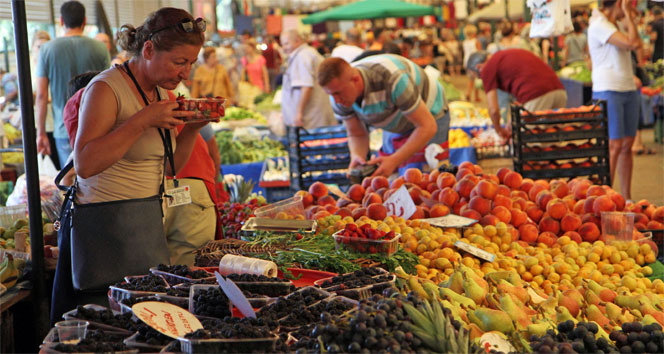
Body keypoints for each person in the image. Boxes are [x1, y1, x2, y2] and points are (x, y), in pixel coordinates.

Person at [51, 6, 206, 323]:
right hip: (104, 231)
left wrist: (192, 127)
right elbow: (85, 163)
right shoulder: (106, 88)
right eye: (180, 62)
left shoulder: (160, 92)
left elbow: (169, 168)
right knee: (104, 323)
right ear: (148, 49)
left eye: (191, 63)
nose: (185, 73)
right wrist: (142, 120)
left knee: (143, 318)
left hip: (144, 226)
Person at [317, 55, 449, 177]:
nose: (336, 100)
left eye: (338, 93)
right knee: (393, 180)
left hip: (430, 113)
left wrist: (394, 160)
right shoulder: (337, 94)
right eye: (331, 94)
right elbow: (356, 133)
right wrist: (357, 156)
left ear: (355, 80)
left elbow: (428, 126)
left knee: (424, 177)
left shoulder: (392, 79)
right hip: (396, 117)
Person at [36, 0, 110, 168]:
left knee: (70, 183)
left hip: (64, 128)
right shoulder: (100, 47)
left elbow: (41, 96)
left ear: (61, 21)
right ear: (84, 21)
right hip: (99, 126)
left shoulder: (47, 49)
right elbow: (109, 85)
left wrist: (41, 133)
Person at [588, 0, 642, 200]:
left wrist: (628, 16)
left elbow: (639, 46)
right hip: (608, 89)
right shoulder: (599, 25)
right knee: (614, 145)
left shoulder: (613, 26)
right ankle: (604, 197)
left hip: (627, 87)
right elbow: (633, 43)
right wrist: (628, 13)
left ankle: (626, 198)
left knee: (627, 144)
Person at [467, 49, 568, 139]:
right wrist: (512, 121)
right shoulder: (504, 56)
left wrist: (499, 131)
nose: (481, 78)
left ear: (479, 67)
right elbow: (524, 82)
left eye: (478, 76)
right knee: (552, 138)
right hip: (559, 91)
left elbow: (493, 110)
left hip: (537, 95)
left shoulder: (488, 67)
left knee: (530, 141)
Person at [279, 29, 335, 129]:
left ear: (297, 40)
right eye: (282, 44)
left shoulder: (302, 56)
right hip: (313, 116)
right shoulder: (305, 53)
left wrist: (298, 113)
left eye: (286, 44)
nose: (284, 48)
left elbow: (306, 86)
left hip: (311, 118)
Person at [462, 24, 482, 102]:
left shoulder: (465, 42)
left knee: (470, 79)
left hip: (467, 61)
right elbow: (479, 52)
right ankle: (476, 96)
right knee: (477, 79)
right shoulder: (476, 41)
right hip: (475, 61)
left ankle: (468, 93)